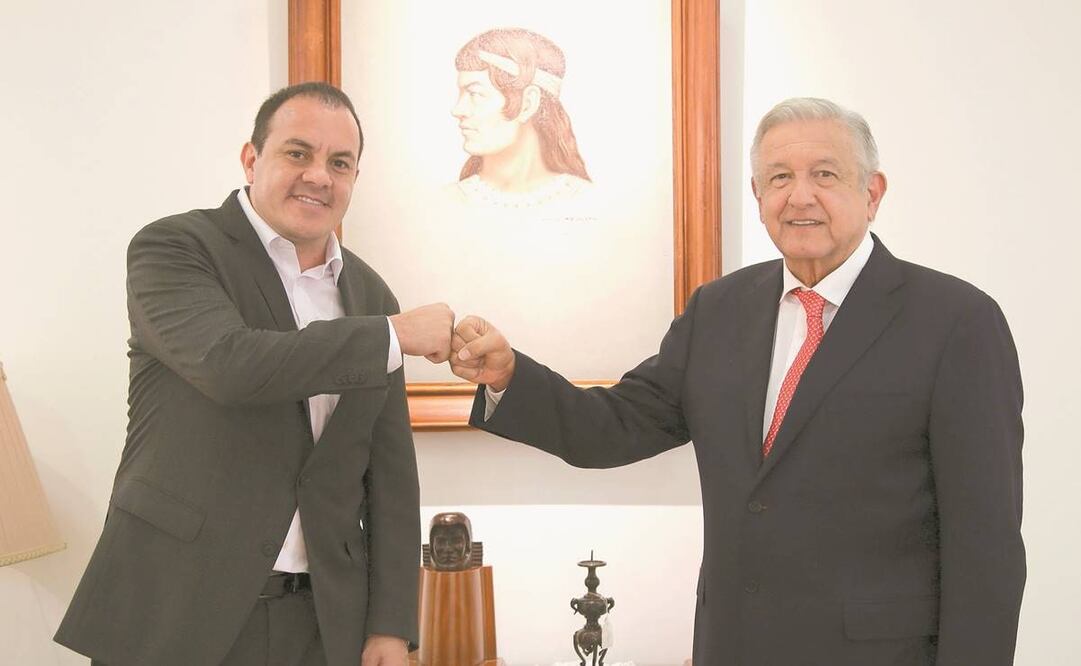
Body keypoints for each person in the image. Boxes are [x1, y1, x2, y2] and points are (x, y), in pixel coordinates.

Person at [449, 98, 1026, 664]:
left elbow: (986, 548)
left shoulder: (955, 321)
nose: (799, 195)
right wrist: (509, 376)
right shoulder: (720, 310)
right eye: (778, 177)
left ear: (872, 193)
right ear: (758, 197)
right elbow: (613, 426)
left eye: (824, 174)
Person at [54, 82, 454, 666]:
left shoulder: (371, 295)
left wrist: (391, 624)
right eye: (298, 153)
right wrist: (392, 335)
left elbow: (390, 475)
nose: (319, 175)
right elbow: (230, 364)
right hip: (177, 609)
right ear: (251, 158)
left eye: (339, 163)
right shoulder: (175, 248)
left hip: (323, 623)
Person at [449, 28, 592, 209]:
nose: (457, 110)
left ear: (528, 104)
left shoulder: (586, 200)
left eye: (475, 94)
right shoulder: (445, 202)